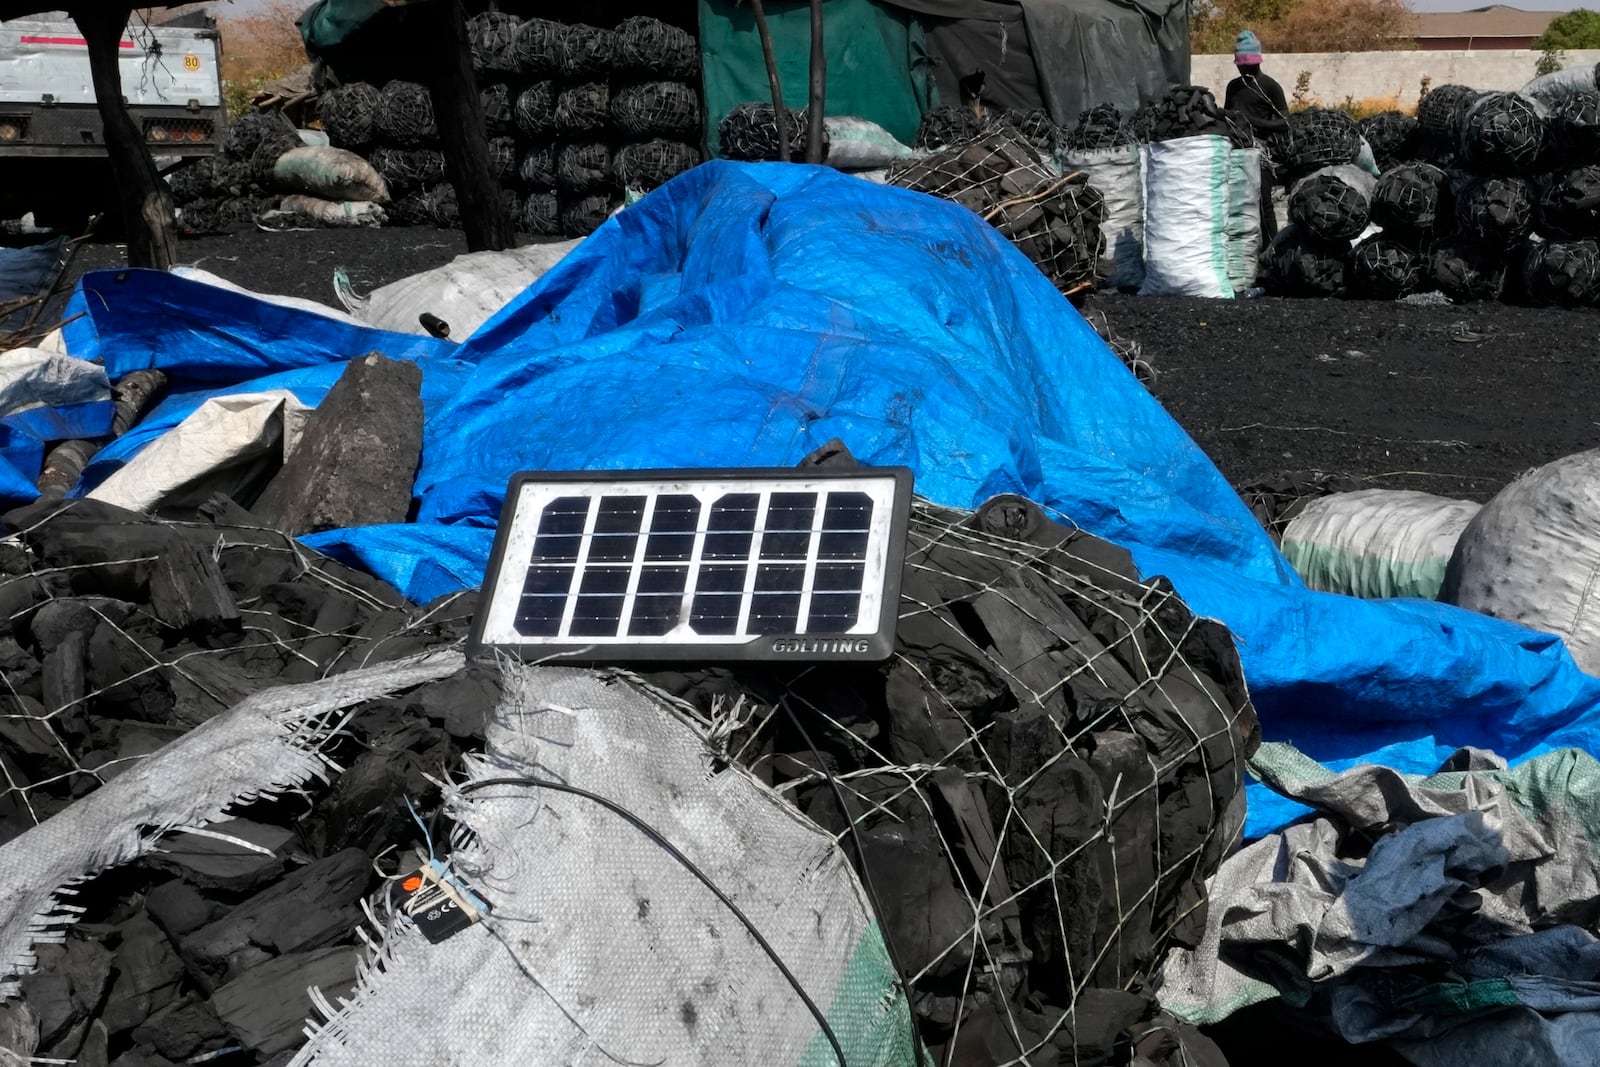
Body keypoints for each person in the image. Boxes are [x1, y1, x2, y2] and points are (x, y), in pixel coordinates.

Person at [1224, 30, 1288, 242]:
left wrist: (1254, 122)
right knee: (1235, 202)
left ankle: (1272, 248)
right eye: (1241, 64)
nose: (1243, 68)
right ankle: (1242, 249)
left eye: (1247, 64)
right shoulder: (1233, 87)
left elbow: (1285, 123)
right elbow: (1227, 116)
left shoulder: (1270, 86)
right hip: (1235, 152)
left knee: (1262, 203)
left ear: (1257, 62)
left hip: (1260, 154)